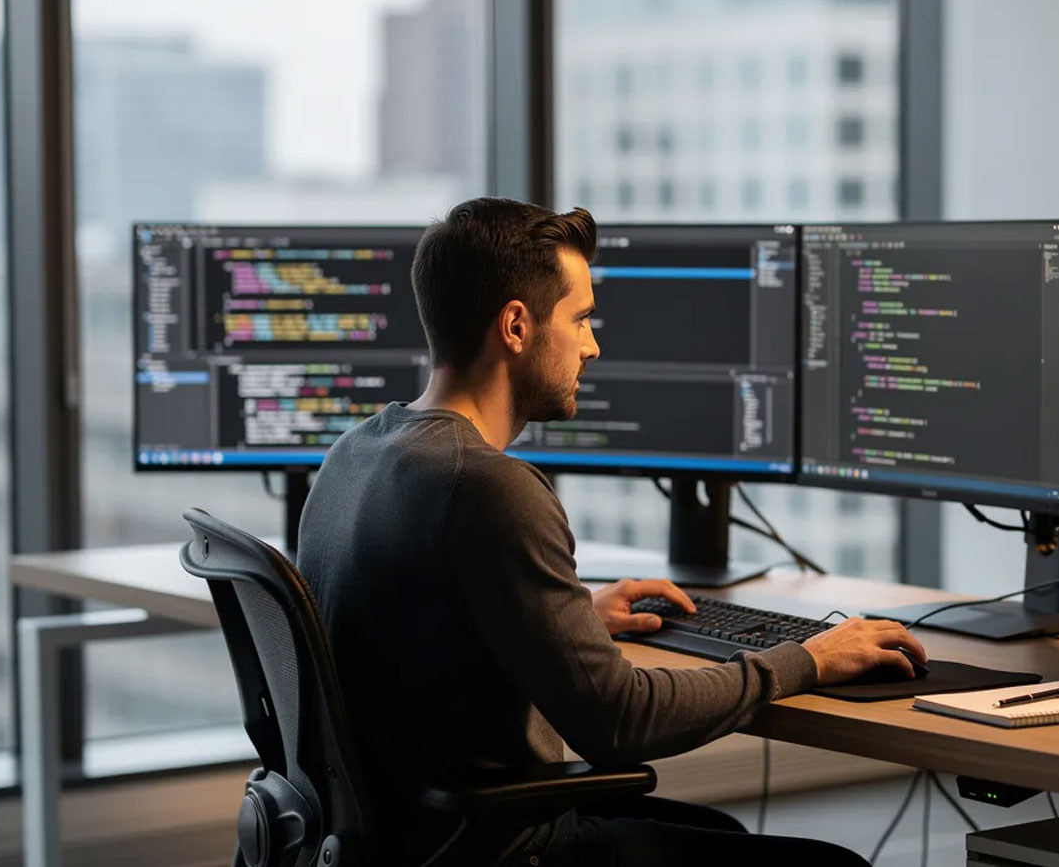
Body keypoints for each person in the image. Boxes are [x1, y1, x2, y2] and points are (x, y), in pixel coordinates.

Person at [297, 197, 926, 866]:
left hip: (404, 838)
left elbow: (416, 633)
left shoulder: (355, 454)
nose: (592, 346)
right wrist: (808, 659)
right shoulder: (487, 486)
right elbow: (619, 723)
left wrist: (570, 619)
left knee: (725, 837)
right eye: (581, 319)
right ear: (515, 326)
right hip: (505, 847)